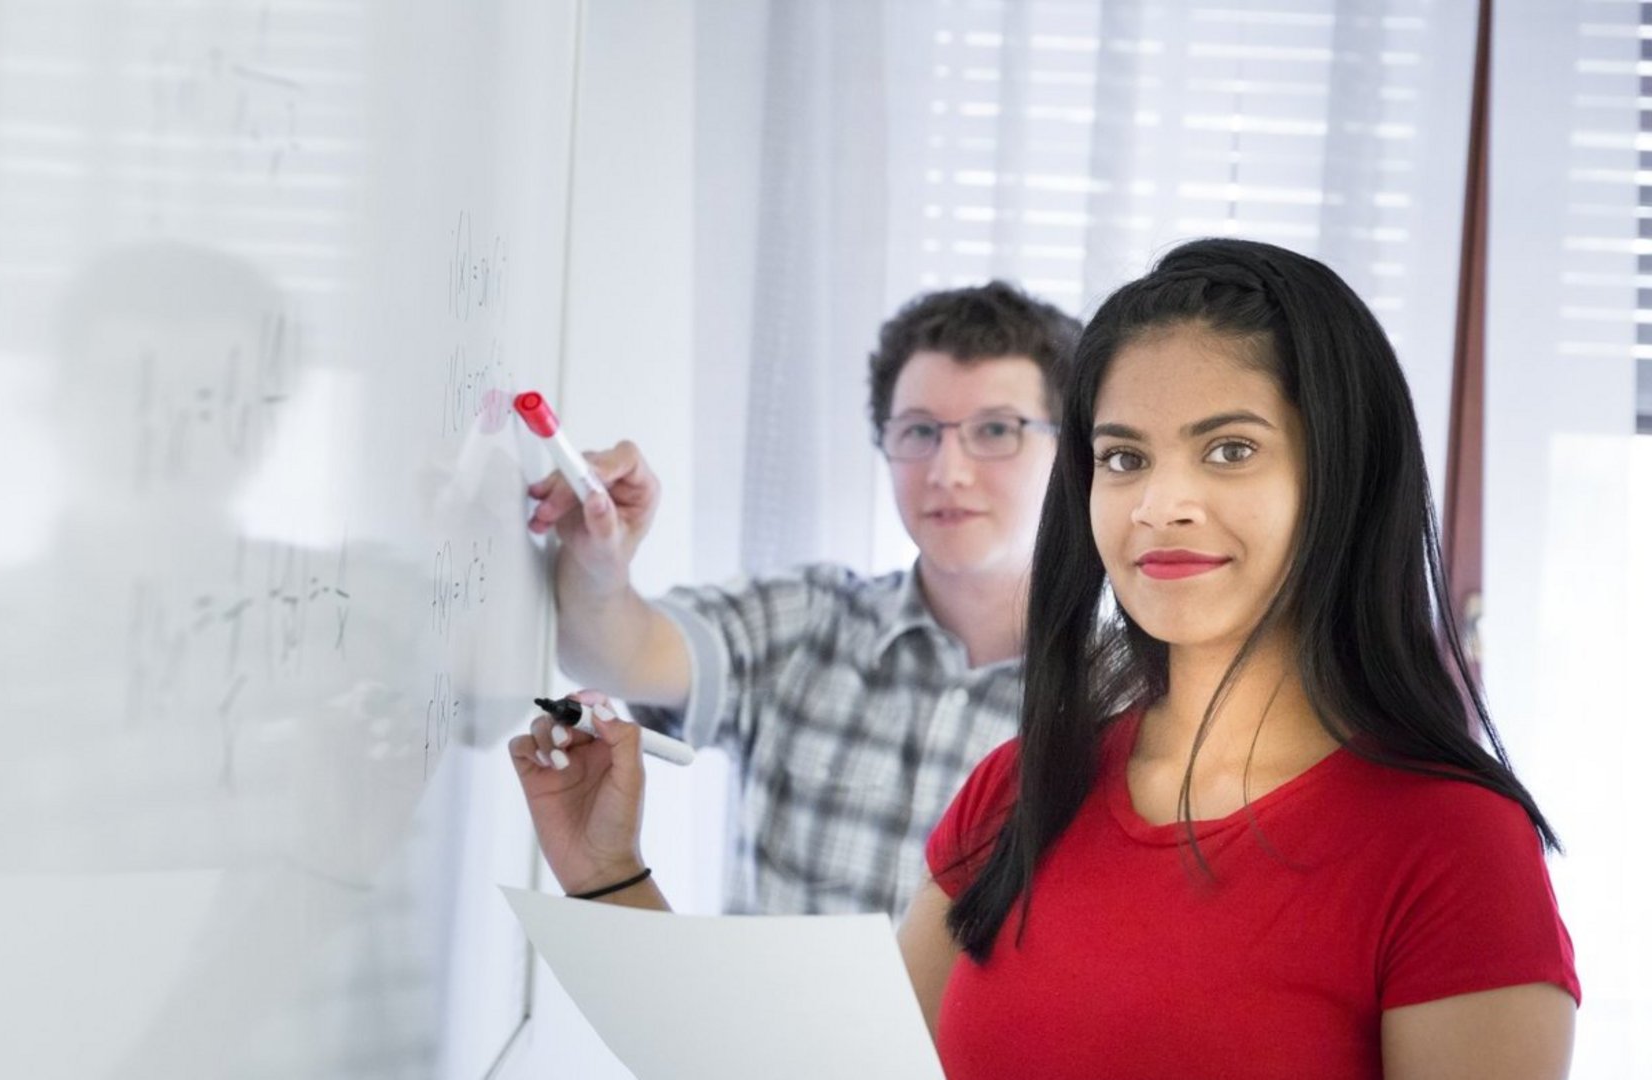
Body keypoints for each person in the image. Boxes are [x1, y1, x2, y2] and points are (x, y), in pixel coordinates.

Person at [510, 239, 1579, 1078]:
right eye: (1125, 457)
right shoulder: (1020, 789)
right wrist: (608, 875)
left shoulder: (1451, 849)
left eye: (1231, 448)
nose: (1161, 503)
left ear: (1344, 477)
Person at [523, 281, 1081, 917]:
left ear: (1071, 453)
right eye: (919, 431)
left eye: (996, 430)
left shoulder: (1124, 699)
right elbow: (613, 653)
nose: (947, 470)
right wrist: (599, 561)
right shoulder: (805, 620)